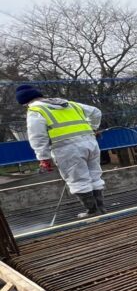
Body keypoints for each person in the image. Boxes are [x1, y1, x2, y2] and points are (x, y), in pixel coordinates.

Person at [17, 84, 107, 217]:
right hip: (90, 144)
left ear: (25, 102)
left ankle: (93, 211)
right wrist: (93, 128)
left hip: (67, 149)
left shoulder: (36, 111)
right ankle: (101, 209)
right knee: (94, 175)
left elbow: (37, 136)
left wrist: (43, 157)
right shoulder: (69, 104)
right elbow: (96, 112)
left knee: (78, 180)